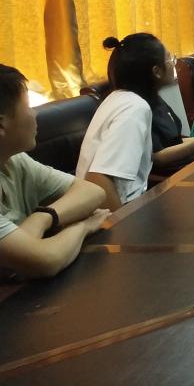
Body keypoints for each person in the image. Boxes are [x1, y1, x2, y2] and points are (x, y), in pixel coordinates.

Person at [0, 65, 109, 278]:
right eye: (28, 107)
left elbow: (93, 192)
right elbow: (47, 260)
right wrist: (83, 226)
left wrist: (42, 218)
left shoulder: (13, 161)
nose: (35, 114)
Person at [78, 34, 171, 208]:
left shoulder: (118, 98)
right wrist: (123, 223)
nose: (173, 64)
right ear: (157, 71)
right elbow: (98, 180)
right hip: (119, 211)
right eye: (170, 59)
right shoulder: (134, 108)